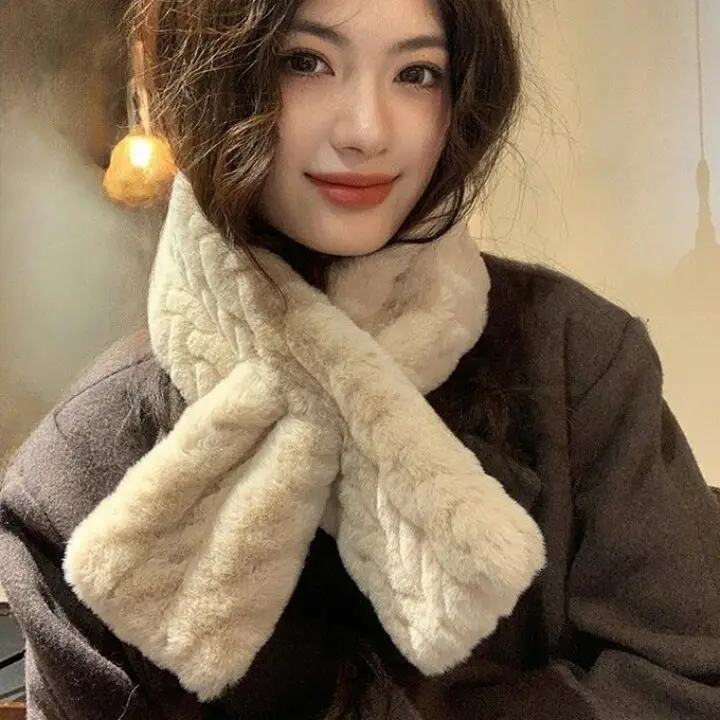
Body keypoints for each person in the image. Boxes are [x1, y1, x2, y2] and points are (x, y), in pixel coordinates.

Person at [1, 0, 719, 718]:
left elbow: (691, 682)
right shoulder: (77, 474)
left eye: (417, 73)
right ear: (213, 79)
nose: (368, 131)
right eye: (304, 62)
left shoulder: (577, 363)